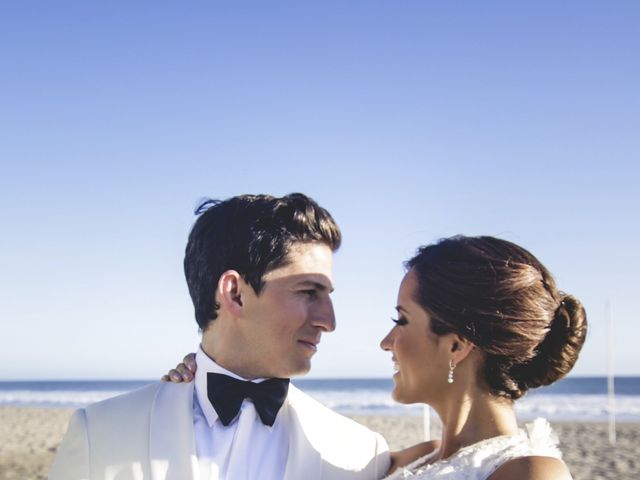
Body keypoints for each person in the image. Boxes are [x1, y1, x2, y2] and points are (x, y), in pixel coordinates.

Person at [170, 235, 587, 480]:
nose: (387, 342)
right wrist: (200, 379)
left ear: (457, 345)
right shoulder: (402, 460)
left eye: (402, 320)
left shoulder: (532, 473)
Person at [49, 193, 390, 480]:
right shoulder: (100, 434)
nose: (328, 321)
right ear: (235, 294)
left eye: (328, 295)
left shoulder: (361, 455)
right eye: (309, 292)